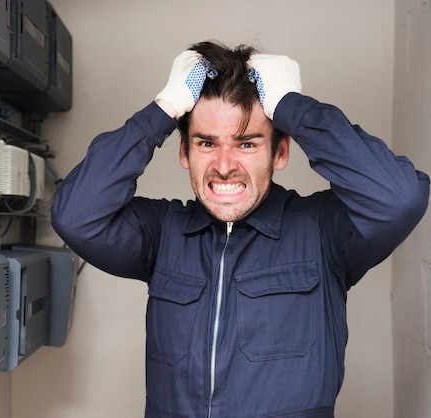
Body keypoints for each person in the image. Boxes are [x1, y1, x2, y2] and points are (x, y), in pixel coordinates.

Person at [50, 40, 430, 418]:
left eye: (246, 143)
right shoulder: (163, 233)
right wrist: (164, 108)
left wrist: (290, 107)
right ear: (184, 152)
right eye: (206, 143)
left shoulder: (324, 232)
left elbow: (400, 196)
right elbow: (76, 215)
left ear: (280, 152)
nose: (224, 164)